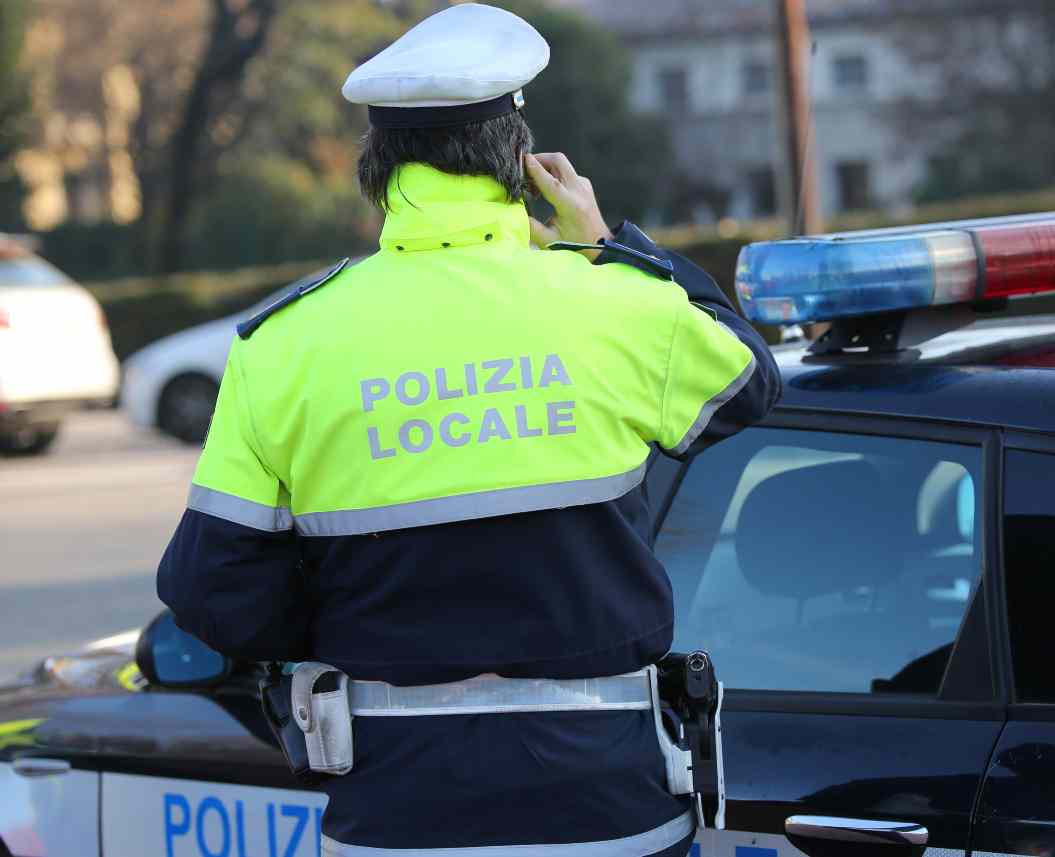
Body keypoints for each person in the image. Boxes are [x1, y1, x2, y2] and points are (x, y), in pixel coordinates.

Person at [155, 4, 780, 856]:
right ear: (521, 164)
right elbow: (751, 380)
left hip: (395, 812)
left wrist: (354, 622)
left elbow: (210, 588)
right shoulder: (617, 307)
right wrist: (609, 248)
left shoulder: (285, 344)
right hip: (608, 806)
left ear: (375, 168)